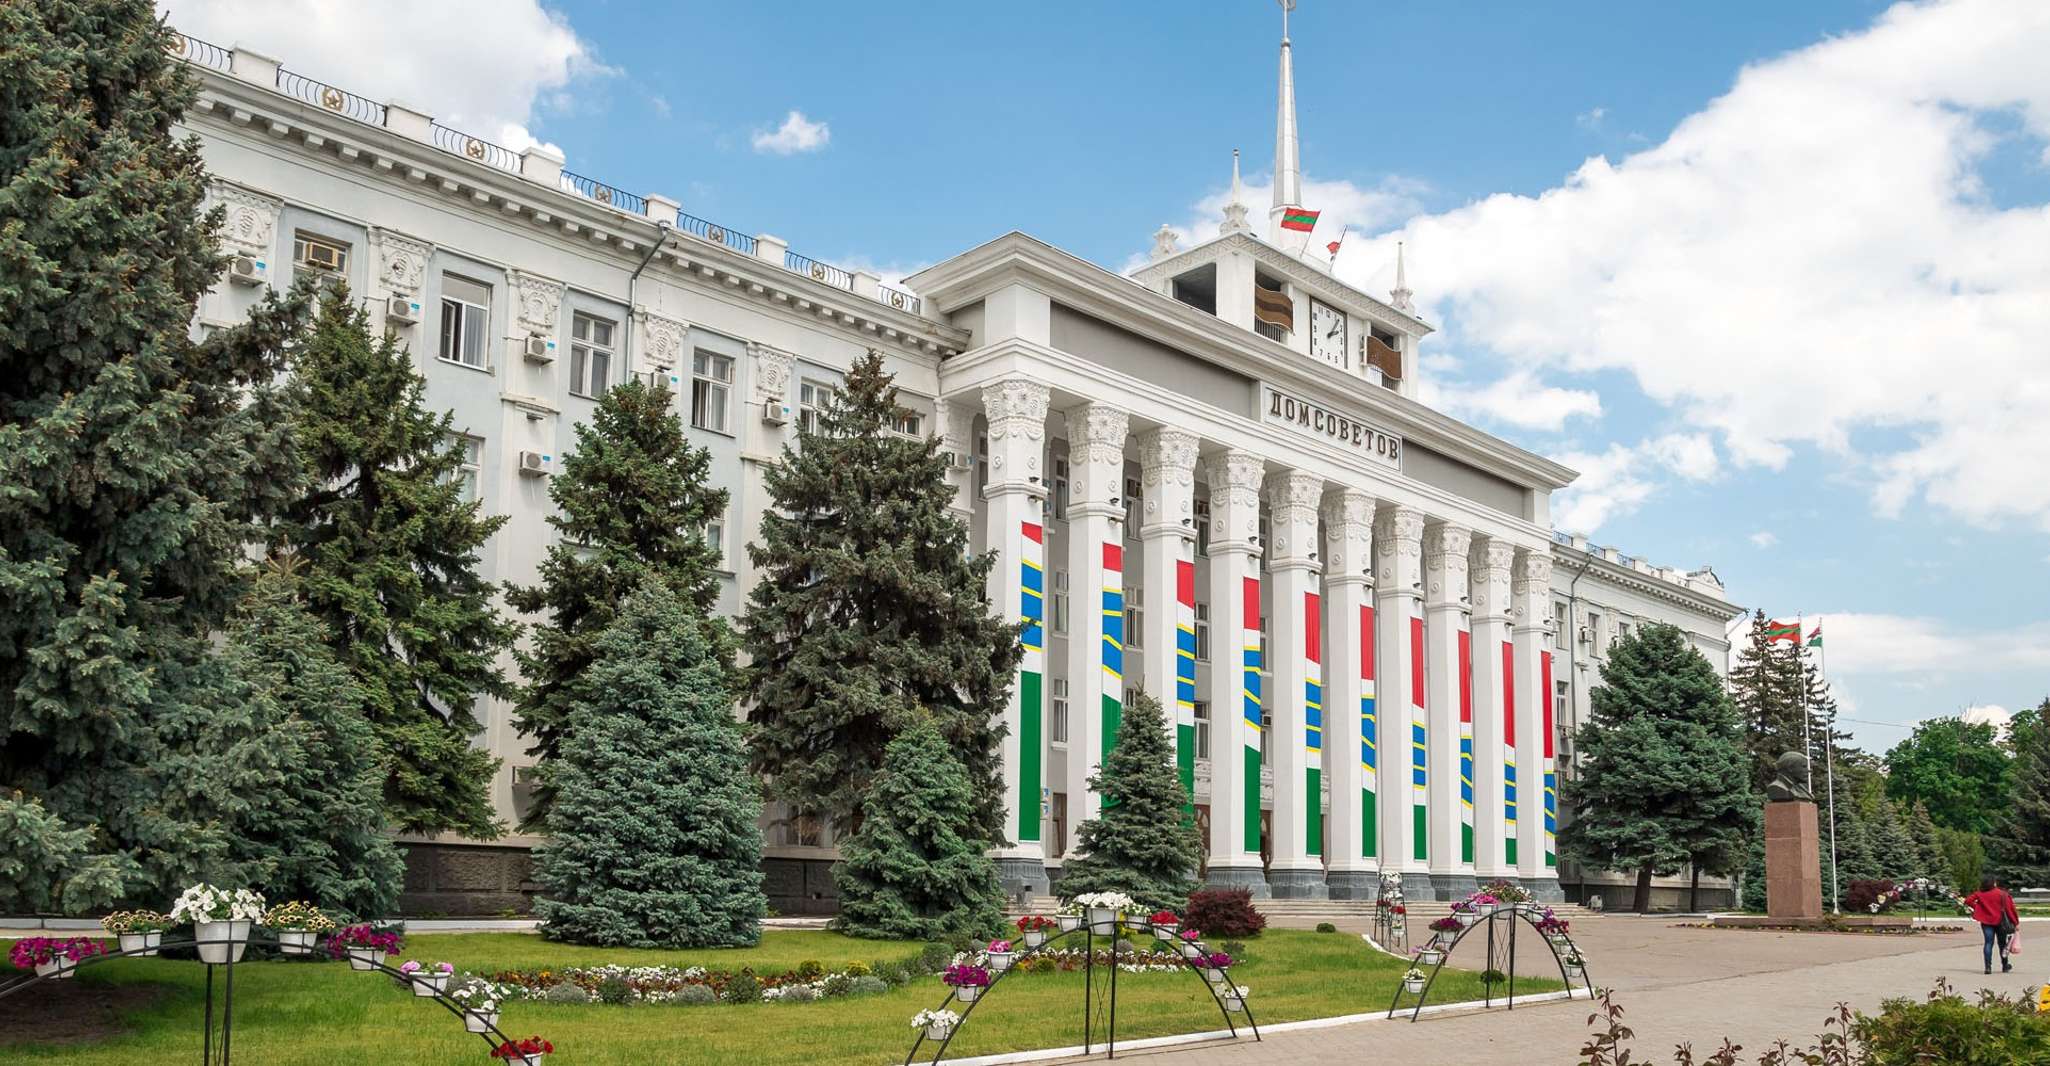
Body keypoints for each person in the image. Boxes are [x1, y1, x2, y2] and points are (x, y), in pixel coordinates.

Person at [1965, 876, 2020, 974]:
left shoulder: (1980, 893)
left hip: (1986, 922)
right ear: (1994, 883)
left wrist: (1978, 908)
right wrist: (2016, 922)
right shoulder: (2003, 894)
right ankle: (2005, 965)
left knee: (1988, 943)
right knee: (2002, 944)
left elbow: (1968, 901)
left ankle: (1988, 967)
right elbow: (2010, 909)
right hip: (2001, 922)